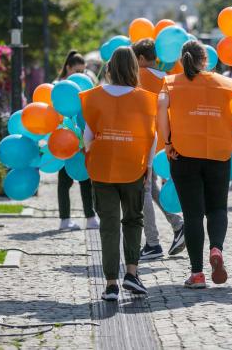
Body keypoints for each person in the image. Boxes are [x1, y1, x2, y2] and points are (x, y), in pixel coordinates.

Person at [158, 40, 232, 288]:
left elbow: (161, 107)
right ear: (206, 60)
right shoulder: (228, 85)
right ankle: (216, 248)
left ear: (182, 60)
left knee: (193, 214)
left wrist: (167, 141)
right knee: (218, 208)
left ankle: (197, 274)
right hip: (219, 152)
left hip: (183, 153)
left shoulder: (171, 83)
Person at [80, 46, 157, 301]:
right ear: (134, 68)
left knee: (109, 225)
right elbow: (151, 136)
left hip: (102, 168)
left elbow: (88, 138)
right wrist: (148, 167)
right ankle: (132, 274)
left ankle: (111, 284)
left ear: (110, 69)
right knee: (133, 220)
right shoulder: (145, 98)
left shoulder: (93, 97)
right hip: (134, 166)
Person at [131, 39, 185, 260]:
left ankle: (153, 243)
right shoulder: (168, 78)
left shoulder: (139, 76)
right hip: (166, 141)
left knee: (142, 188)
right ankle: (178, 224)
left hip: (146, 139)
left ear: (141, 59)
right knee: (150, 186)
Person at [55, 51, 98, 230]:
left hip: (81, 140)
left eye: (83, 70)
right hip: (63, 140)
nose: (81, 74)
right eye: (77, 70)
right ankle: (65, 220)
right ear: (68, 68)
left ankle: (90, 217)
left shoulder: (85, 88)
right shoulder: (57, 87)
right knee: (64, 181)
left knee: (85, 180)